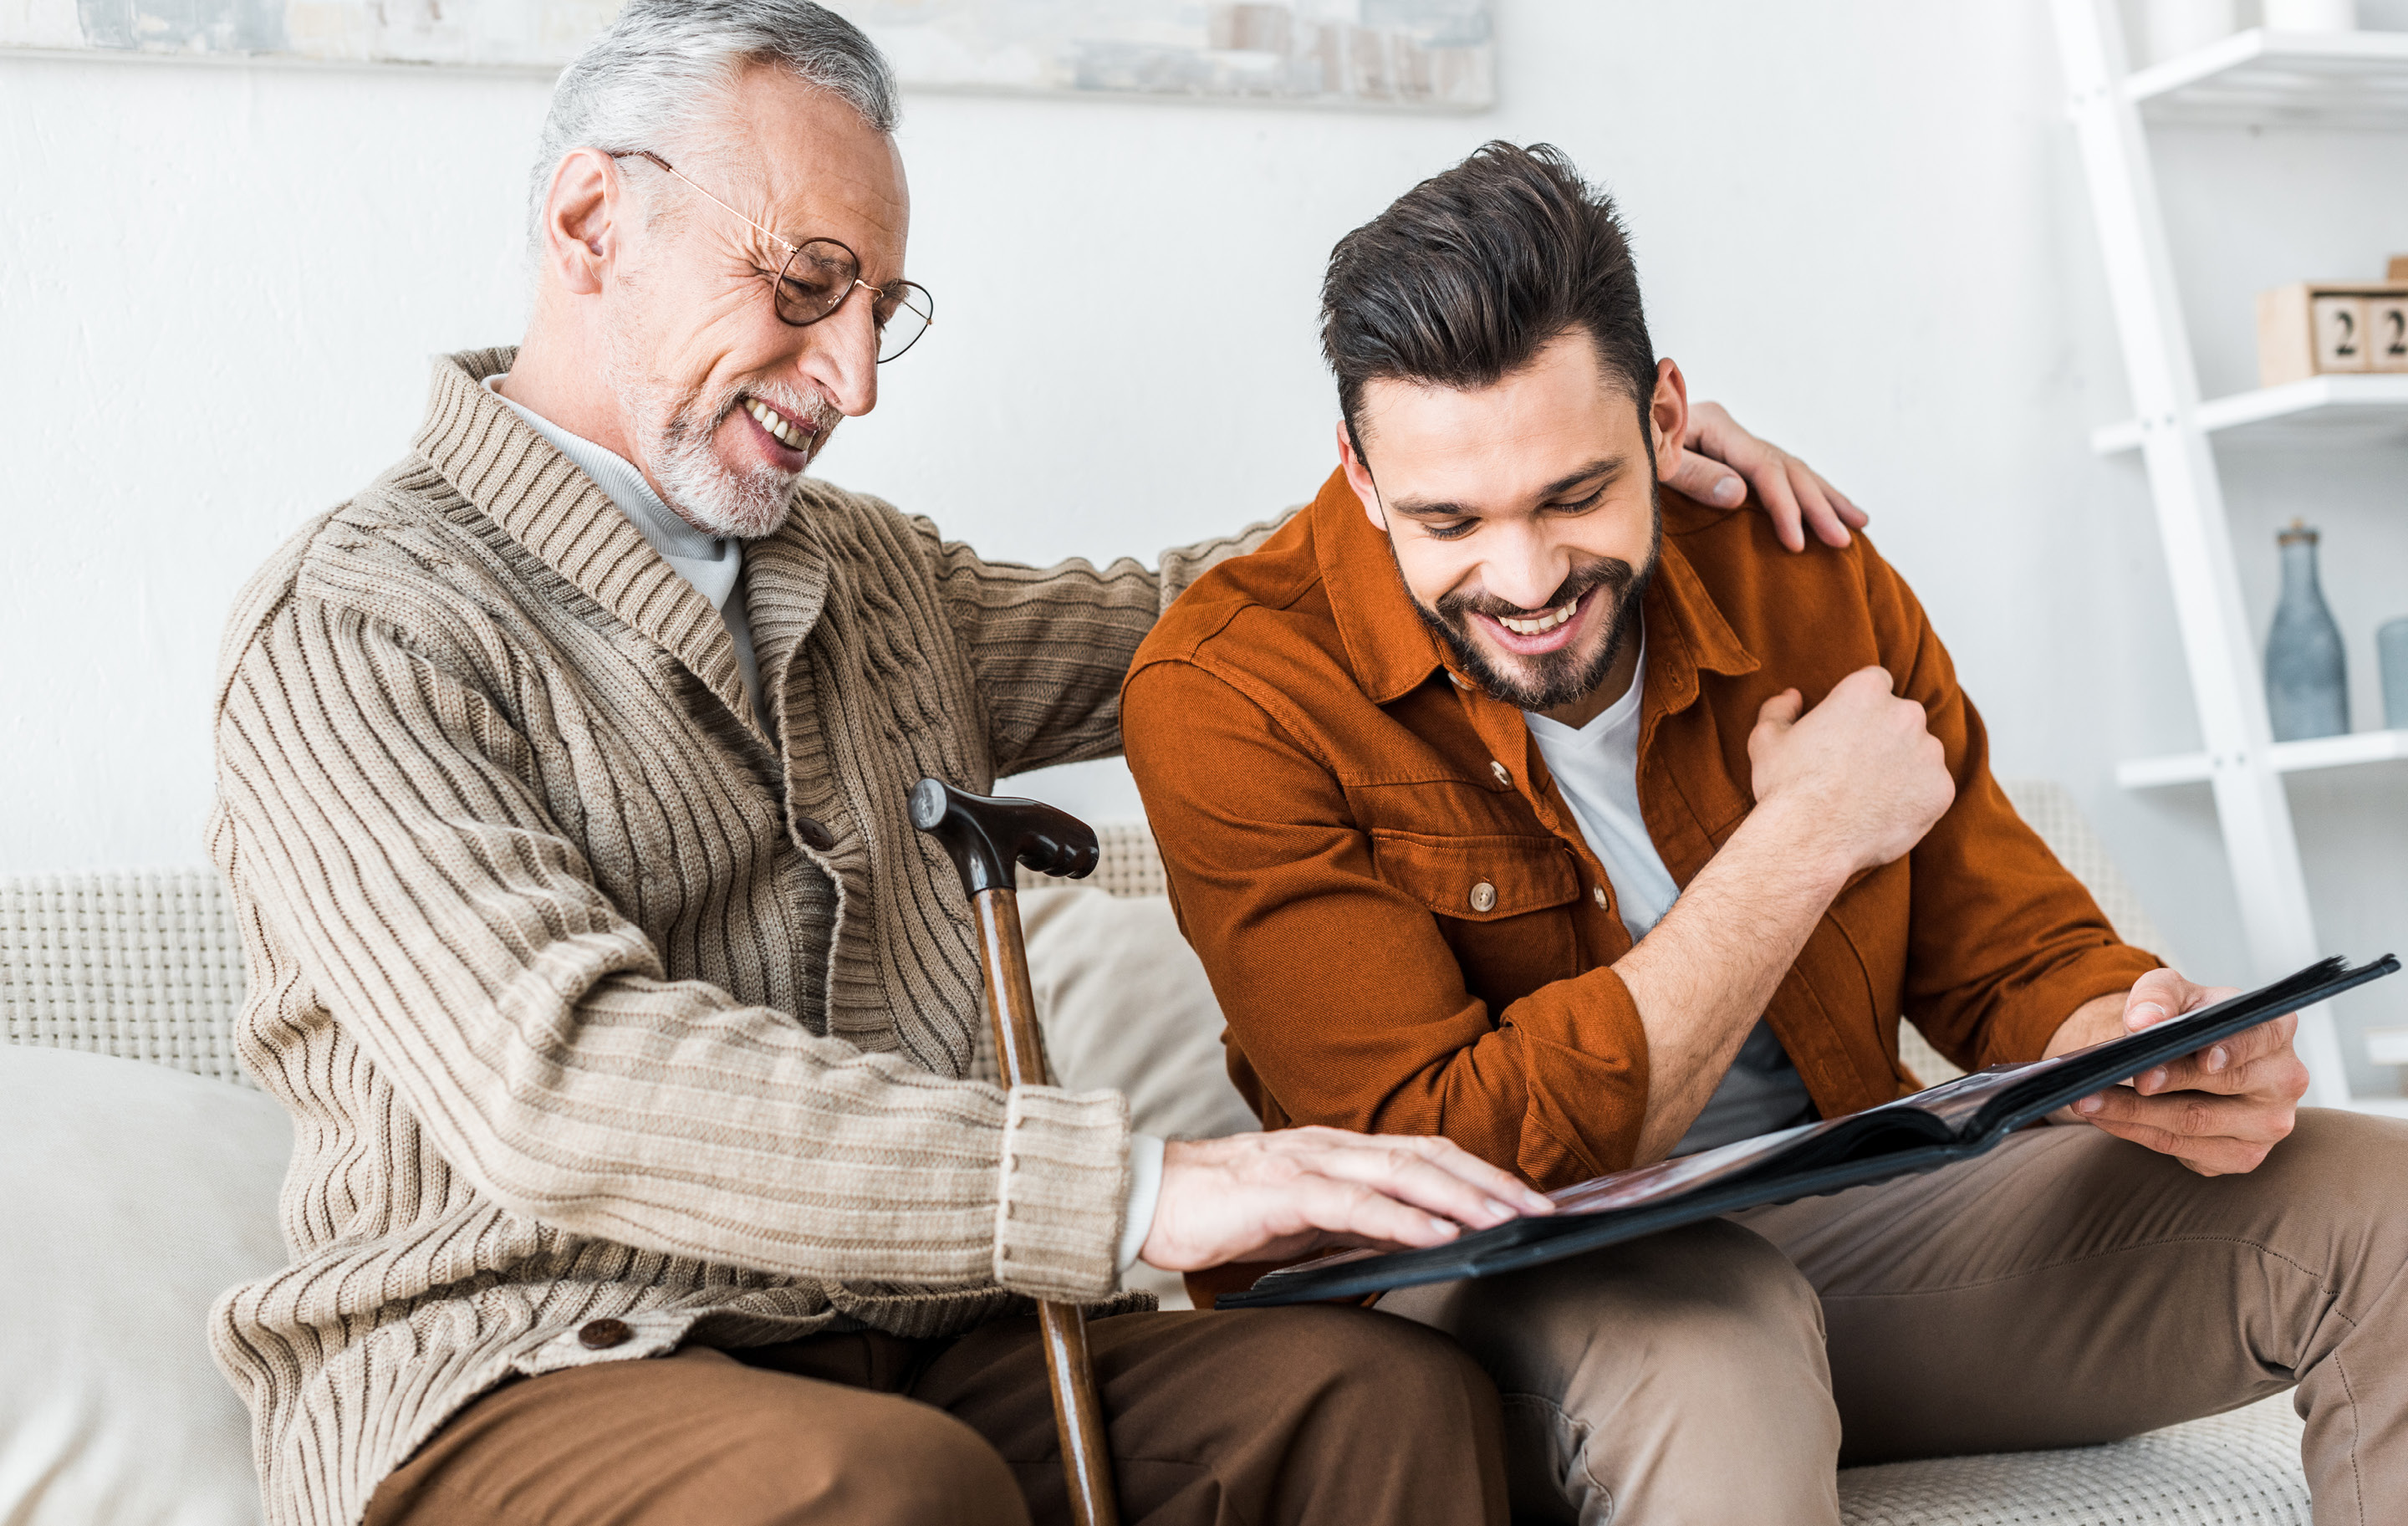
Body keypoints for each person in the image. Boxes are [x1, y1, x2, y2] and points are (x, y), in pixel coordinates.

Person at [205, 8, 1838, 1523]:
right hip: (521, 1377)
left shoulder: (868, 577)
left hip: (913, 1338)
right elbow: (555, 1078)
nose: (845, 378)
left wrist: (1527, 486)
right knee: (885, 1489)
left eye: (876, 312)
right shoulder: (357, 622)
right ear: (589, 227)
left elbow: (1186, 626)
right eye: (802, 285)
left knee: (1377, 1400)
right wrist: (1128, 1190)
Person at [1122, 140, 2408, 1526]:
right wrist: (1802, 838)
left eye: (1573, 496)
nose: (1527, 578)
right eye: (1449, 520)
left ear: (1665, 418)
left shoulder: (1796, 568)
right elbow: (1444, 1154)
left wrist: (2128, 1039)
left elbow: (2007, 952)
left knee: (2382, 1200)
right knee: (1715, 1332)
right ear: (1361, 479)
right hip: (1465, 1288)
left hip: (1836, 1226)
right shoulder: (1233, 688)